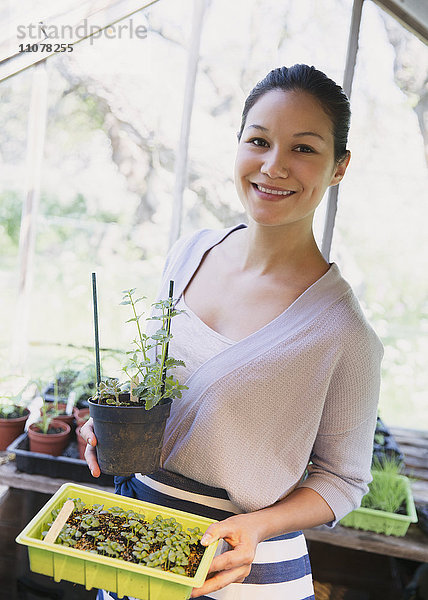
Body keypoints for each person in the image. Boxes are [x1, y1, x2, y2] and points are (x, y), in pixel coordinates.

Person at [81, 64, 383, 600]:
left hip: (241, 570)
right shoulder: (189, 254)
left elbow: (344, 480)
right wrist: (110, 425)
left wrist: (257, 527)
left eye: (304, 149)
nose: (273, 166)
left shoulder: (343, 334)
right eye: (259, 141)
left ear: (340, 168)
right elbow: (155, 390)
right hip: (134, 539)